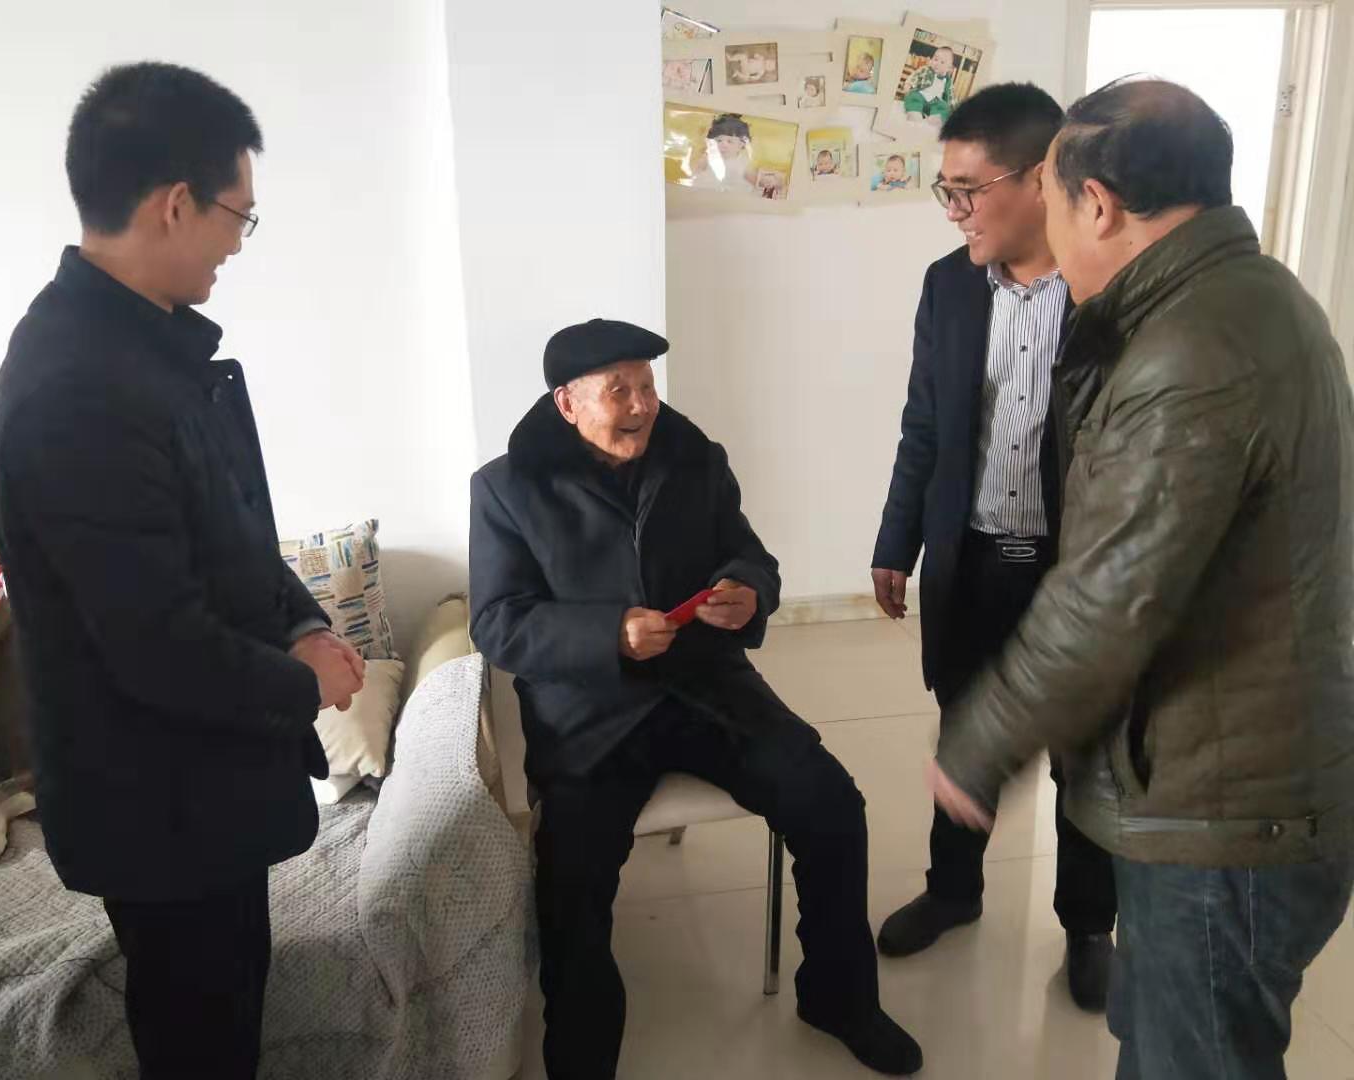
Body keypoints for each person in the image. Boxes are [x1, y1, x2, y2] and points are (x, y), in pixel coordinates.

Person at [930, 78, 1354, 1080]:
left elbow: (1105, 602)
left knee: (1192, 1057)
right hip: (1236, 776)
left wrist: (978, 745)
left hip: (1223, 817)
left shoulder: (1191, 352)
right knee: (1166, 1046)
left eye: (1049, 197)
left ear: (1098, 205)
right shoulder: (1250, 299)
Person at [0, 63, 365, 1079]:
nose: (240, 241)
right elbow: (156, 644)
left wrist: (300, 621)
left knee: (227, 1015)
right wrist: (304, 683)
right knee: (200, 1041)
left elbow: (229, 523)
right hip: (158, 805)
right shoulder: (78, 386)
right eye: (239, 215)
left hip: (199, 790)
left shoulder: (140, 350)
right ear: (174, 204)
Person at [469, 319, 923, 1079]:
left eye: (647, 385)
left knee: (831, 803)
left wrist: (747, 592)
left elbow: (749, 555)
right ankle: (581, 1059)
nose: (641, 405)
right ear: (567, 403)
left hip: (708, 690)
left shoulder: (694, 457)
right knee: (570, 886)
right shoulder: (507, 488)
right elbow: (497, 623)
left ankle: (838, 998)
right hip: (592, 719)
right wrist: (609, 633)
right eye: (619, 390)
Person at [870, 82, 1117, 1010]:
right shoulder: (948, 285)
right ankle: (952, 891)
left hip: (1073, 573)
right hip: (968, 560)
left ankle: (1088, 926)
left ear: (1041, 177)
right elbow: (924, 426)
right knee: (966, 731)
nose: (956, 209)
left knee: (1083, 753)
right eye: (947, 189)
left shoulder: (1108, 293)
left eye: (970, 189)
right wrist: (897, 541)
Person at [689, 113, 759, 195]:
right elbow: (696, 172)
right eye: (719, 140)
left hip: (734, 194)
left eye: (730, 141)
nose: (723, 145)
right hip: (709, 191)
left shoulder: (743, 162)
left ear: (741, 144)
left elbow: (754, 179)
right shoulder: (709, 157)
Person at [903, 46, 958, 126]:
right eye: (935, 59)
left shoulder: (948, 82)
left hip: (935, 103)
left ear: (949, 68)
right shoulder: (925, 70)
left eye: (942, 62)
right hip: (921, 97)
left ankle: (932, 120)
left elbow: (952, 98)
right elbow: (914, 77)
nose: (937, 63)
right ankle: (915, 114)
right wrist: (908, 85)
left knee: (944, 107)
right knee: (913, 96)